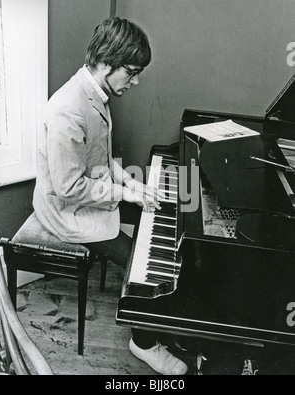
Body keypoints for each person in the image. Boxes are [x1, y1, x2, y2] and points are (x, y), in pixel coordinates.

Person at [33, 17, 188, 375]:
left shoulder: (94, 91)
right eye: (131, 72)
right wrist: (125, 194)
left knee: (157, 226)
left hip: (87, 196)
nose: (134, 82)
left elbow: (99, 157)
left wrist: (134, 186)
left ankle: (165, 320)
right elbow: (70, 188)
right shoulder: (67, 111)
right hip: (65, 212)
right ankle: (144, 343)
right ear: (105, 61)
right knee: (141, 265)